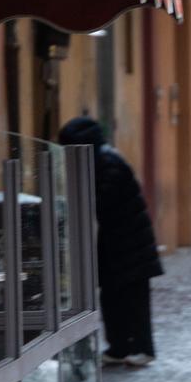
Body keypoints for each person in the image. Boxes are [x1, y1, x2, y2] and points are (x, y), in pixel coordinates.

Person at [58, 117, 163, 367]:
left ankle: (141, 348)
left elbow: (103, 202)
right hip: (117, 241)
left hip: (130, 243)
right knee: (112, 296)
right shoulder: (103, 160)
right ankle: (119, 347)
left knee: (133, 298)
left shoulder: (107, 162)